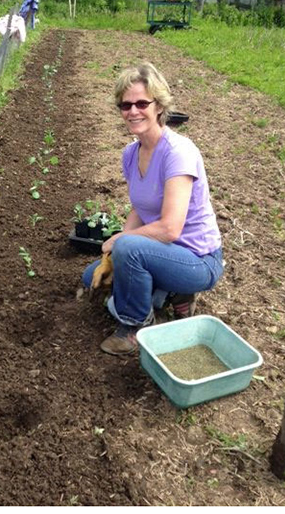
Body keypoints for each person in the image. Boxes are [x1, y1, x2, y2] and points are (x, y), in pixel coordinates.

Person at [82, 62, 224, 355]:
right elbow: (140, 209)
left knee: (128, 251)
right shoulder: (131, 154)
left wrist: (122, 243)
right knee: (92, 275)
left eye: (141, 103)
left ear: (158, 106)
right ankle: (172, 294)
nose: (133, 111)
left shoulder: (178, 153)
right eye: (125, 105)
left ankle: (136, 327)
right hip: (161, 254)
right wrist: (112, 256)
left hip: (197, 259)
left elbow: (170, 228)